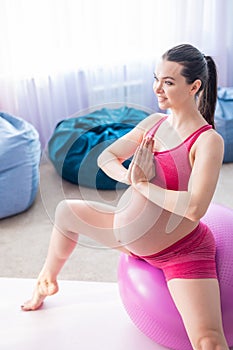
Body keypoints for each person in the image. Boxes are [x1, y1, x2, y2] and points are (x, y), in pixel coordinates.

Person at [21, 44, 229, 349]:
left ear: (194, 86)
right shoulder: (154, 123)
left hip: (180, 252)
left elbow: (195, 208)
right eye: (156, 78)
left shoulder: (208, 141)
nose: (157, 88)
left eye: (168, 82)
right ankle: (47, 280)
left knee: (208, 340)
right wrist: (130, 176)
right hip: (126, 234)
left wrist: (143, 186)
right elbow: (107, 157)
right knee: (66, 212)